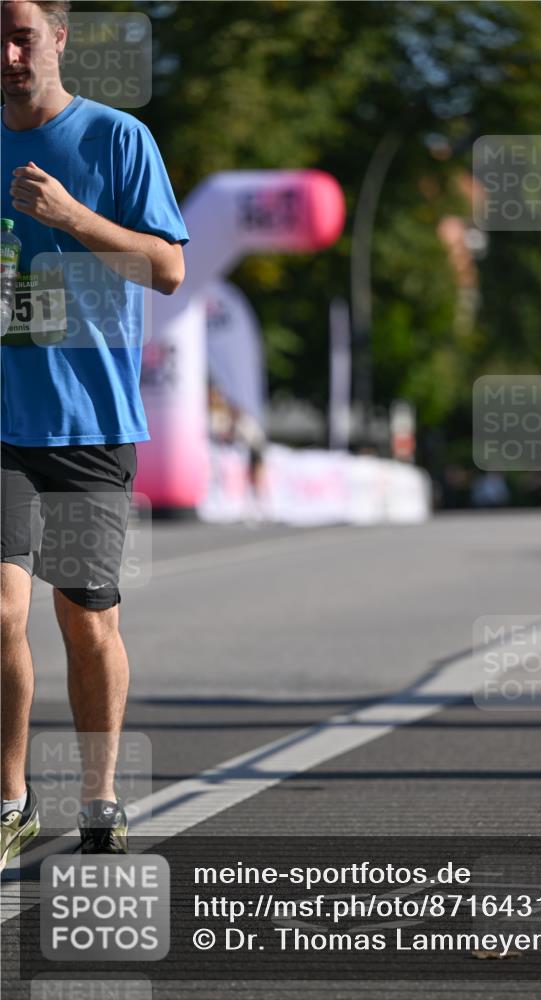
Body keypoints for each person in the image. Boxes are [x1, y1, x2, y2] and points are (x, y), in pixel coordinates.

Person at [1, 0, 188, 868]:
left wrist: (74, 218)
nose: (7, 53)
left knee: (84, 622)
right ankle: (9, 801)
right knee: (2, 610)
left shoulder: (117, 140)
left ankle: (101, 798)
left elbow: (169, 269)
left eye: (22, 34)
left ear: (59, 39)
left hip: (88, 423)